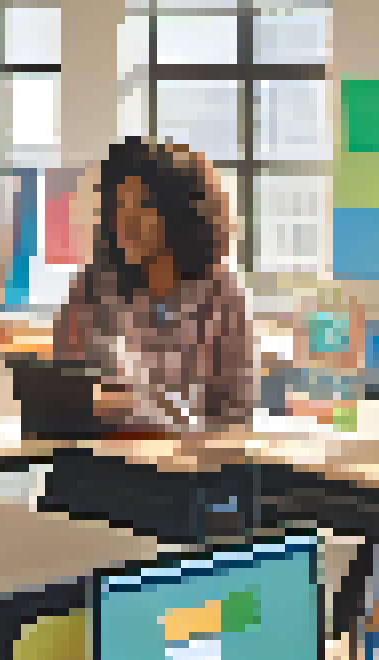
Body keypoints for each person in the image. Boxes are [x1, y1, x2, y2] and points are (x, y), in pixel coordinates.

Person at [54, 137, 254, 437]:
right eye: (119, 205)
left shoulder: (221, 295)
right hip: (101, 461)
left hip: (192, 468)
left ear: (180, 213)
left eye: (144, 205)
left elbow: (236, 414)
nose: (127, 219)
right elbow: (61, 396)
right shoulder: (90, 290)